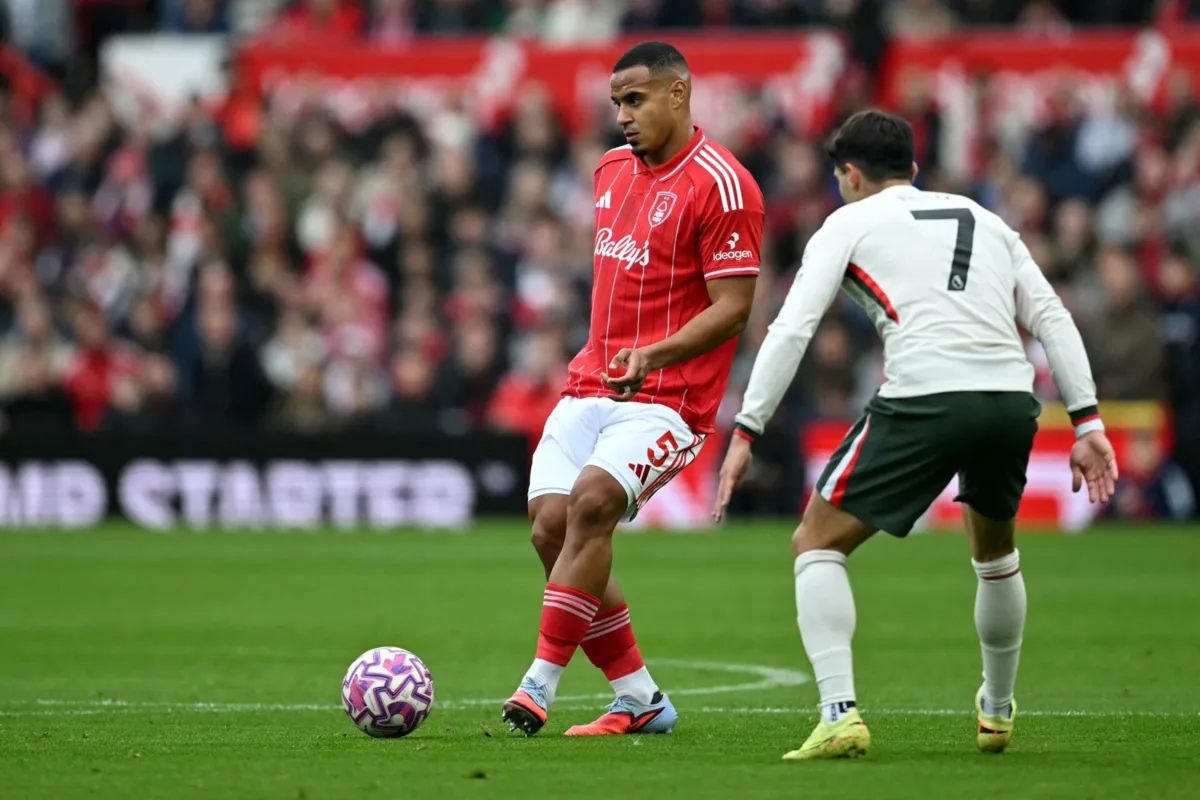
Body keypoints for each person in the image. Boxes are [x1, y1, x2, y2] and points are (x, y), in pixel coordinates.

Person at [713, 110, 1118, 760]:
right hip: (1012, 399)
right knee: (994, 556)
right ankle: (997, 708)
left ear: (848, 174)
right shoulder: (984, 218)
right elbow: (1050, 314)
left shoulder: (847, 221)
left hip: (927, 395)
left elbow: (792, 328)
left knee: (816, 542)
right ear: (914, 169)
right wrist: (1088, 421)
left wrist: (746, 428)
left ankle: (840, 713)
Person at [501, 41, 763, 737]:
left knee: (591, 506)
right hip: (590, 385)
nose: (622, 115)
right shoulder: (611, 170)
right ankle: (641, 699)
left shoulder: (725, 185)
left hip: (669, 400)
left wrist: (655, 355)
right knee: (550, 530)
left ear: (679, 94)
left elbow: (734, 307)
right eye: (616, 102)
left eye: (636, 99)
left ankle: (537, 684)